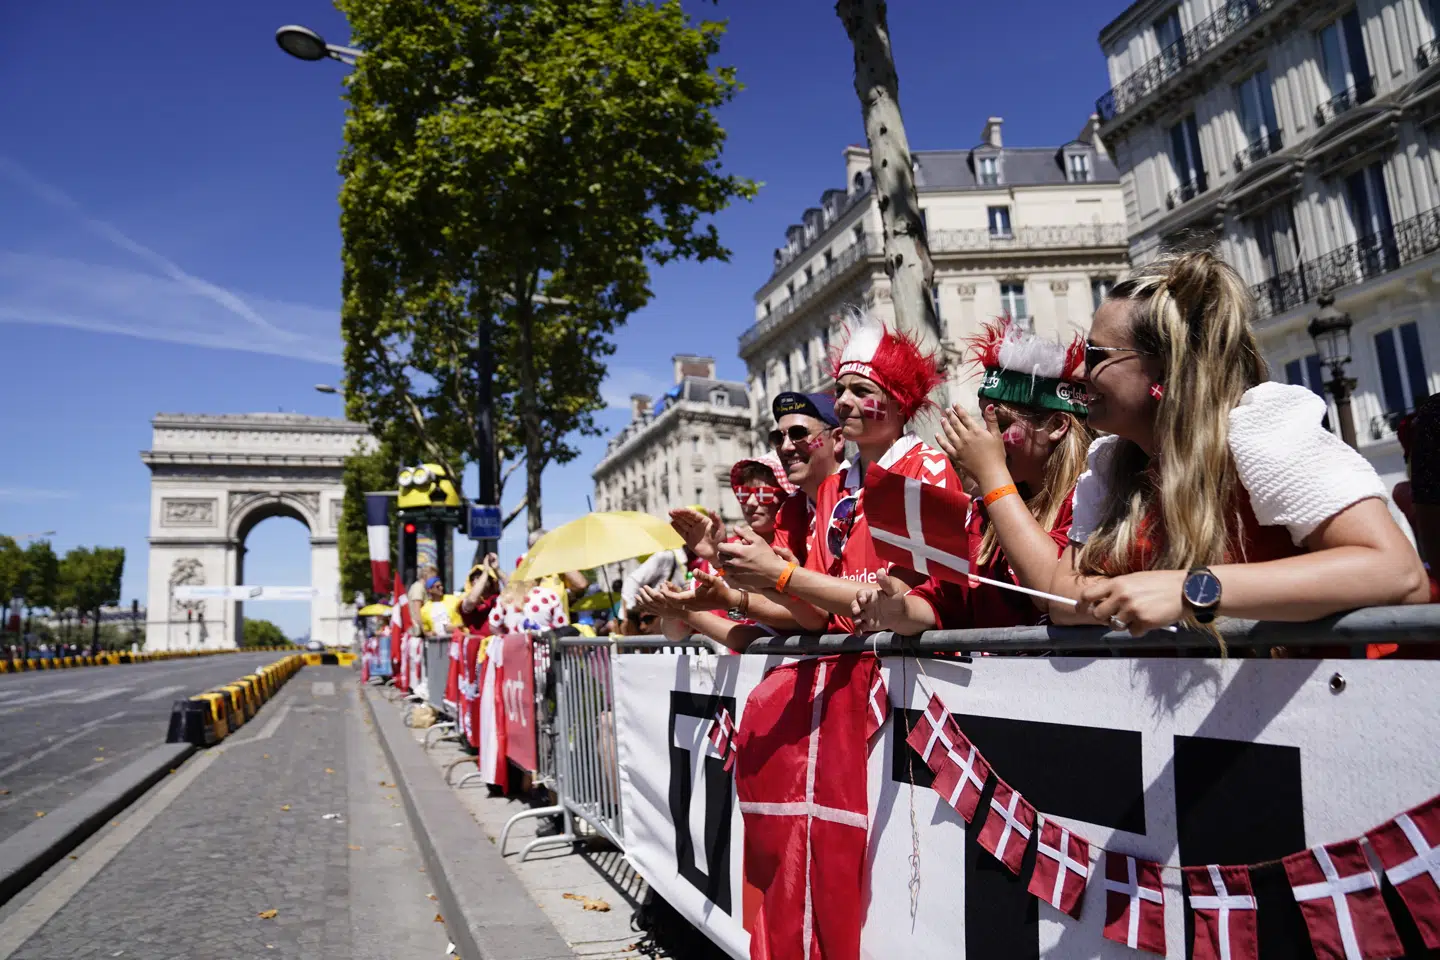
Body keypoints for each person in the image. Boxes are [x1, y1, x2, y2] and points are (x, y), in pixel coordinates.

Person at [1046, 251, 1428, 637]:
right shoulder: (1115, 462)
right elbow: (1061, 596)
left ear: (1167, 365)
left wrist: (1190, 589)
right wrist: (1135, 594)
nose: (1079, 372)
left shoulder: (1261, 431)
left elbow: (1398, 572)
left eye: (1095, 355)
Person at [717, 310, 959, 634]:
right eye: (840, 389)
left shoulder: (926, 470)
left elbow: (892, 601)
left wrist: (784, 575)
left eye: (861, 391)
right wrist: (777, 583)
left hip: (906, 671)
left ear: (901, 404)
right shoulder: (835, 487)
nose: (842, 402)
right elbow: (818, 618)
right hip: (842, 665)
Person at [852, 317, 1092, 632]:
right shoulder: (983, 512)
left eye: (1003, 425)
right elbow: (944, 601)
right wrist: (899, 610)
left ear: (1057, 426)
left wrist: (992, 475)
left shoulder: (1090, 494)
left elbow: (1053, 591)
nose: (989, 440)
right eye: (985, 421)